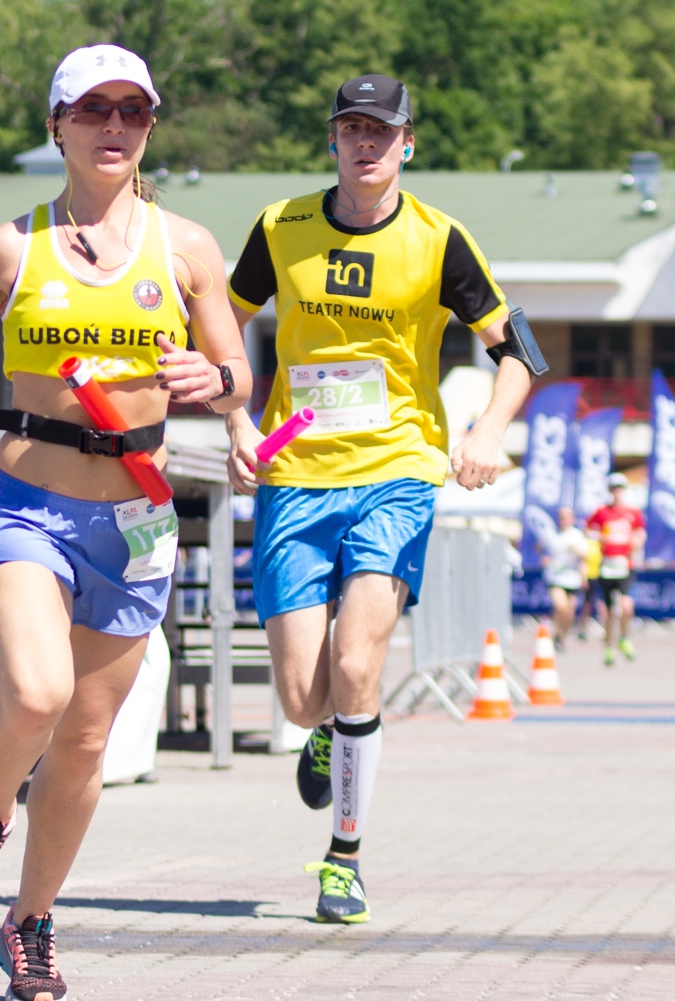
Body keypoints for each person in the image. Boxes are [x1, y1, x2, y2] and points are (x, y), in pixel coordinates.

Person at [0, 45, 249, 1001]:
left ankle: (30, 923)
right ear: (57, 128)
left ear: (151, 126)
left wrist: (220, 388)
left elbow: (238, 372)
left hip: (135, 519)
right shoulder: (13, 247)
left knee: (85, 741)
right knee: (36, 692)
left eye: (132, 111)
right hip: (26, 506)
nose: (114, 127)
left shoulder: (189, 248)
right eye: (93, 111)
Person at [223, 75, 534, 924]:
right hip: (293, 471)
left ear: (408, 144)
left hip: (398, 469)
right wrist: (237, 421)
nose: (366, 144)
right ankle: (328, 732)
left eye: (381, 130)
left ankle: (344, 859)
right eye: (350, 129)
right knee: (299, 695)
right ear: (333, 140)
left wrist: (485, 431)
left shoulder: (440, 239)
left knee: (358, 668)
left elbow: (519, 349)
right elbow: (217, 321)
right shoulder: (280, 227)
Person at [585, 472, 646, 666]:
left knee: (627, 606)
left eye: (620, 488)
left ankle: (624, 637)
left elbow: (641, 533)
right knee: (609, 612)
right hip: (607, 565)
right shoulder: (602, 512)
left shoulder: (633, 512)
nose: (617, 492)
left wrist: (637, 542)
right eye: (614, 488)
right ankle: (609, 646)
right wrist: (599, 537)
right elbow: (588, 529)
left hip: (625, 564)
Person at [541, 507, 591, 649]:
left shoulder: (576, 535)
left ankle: (560, 635)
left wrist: (584, 577)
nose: (563, 520)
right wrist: (544, 558)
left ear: (572, 519)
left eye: (566, 517)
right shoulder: (552, 534)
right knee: (561, 606)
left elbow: (585, 557)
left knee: (569, 613)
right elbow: (541, 547)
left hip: (572, 578)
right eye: (561, 517)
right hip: (555, 576)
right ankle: (556, 631)